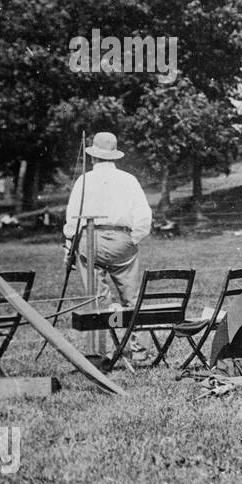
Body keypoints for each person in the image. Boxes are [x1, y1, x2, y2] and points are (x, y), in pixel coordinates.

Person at [63, 132, 154, 363]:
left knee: (96, 299)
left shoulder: (84, 181)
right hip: (122, 241)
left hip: (90, 241)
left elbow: (73, 218)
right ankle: (140, 352)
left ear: (93, 157)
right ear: (114, 156)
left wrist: (68, 248)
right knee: (131, 298)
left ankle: (98, 352)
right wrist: (134, 238)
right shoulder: (128, 179)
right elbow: (144, 215)